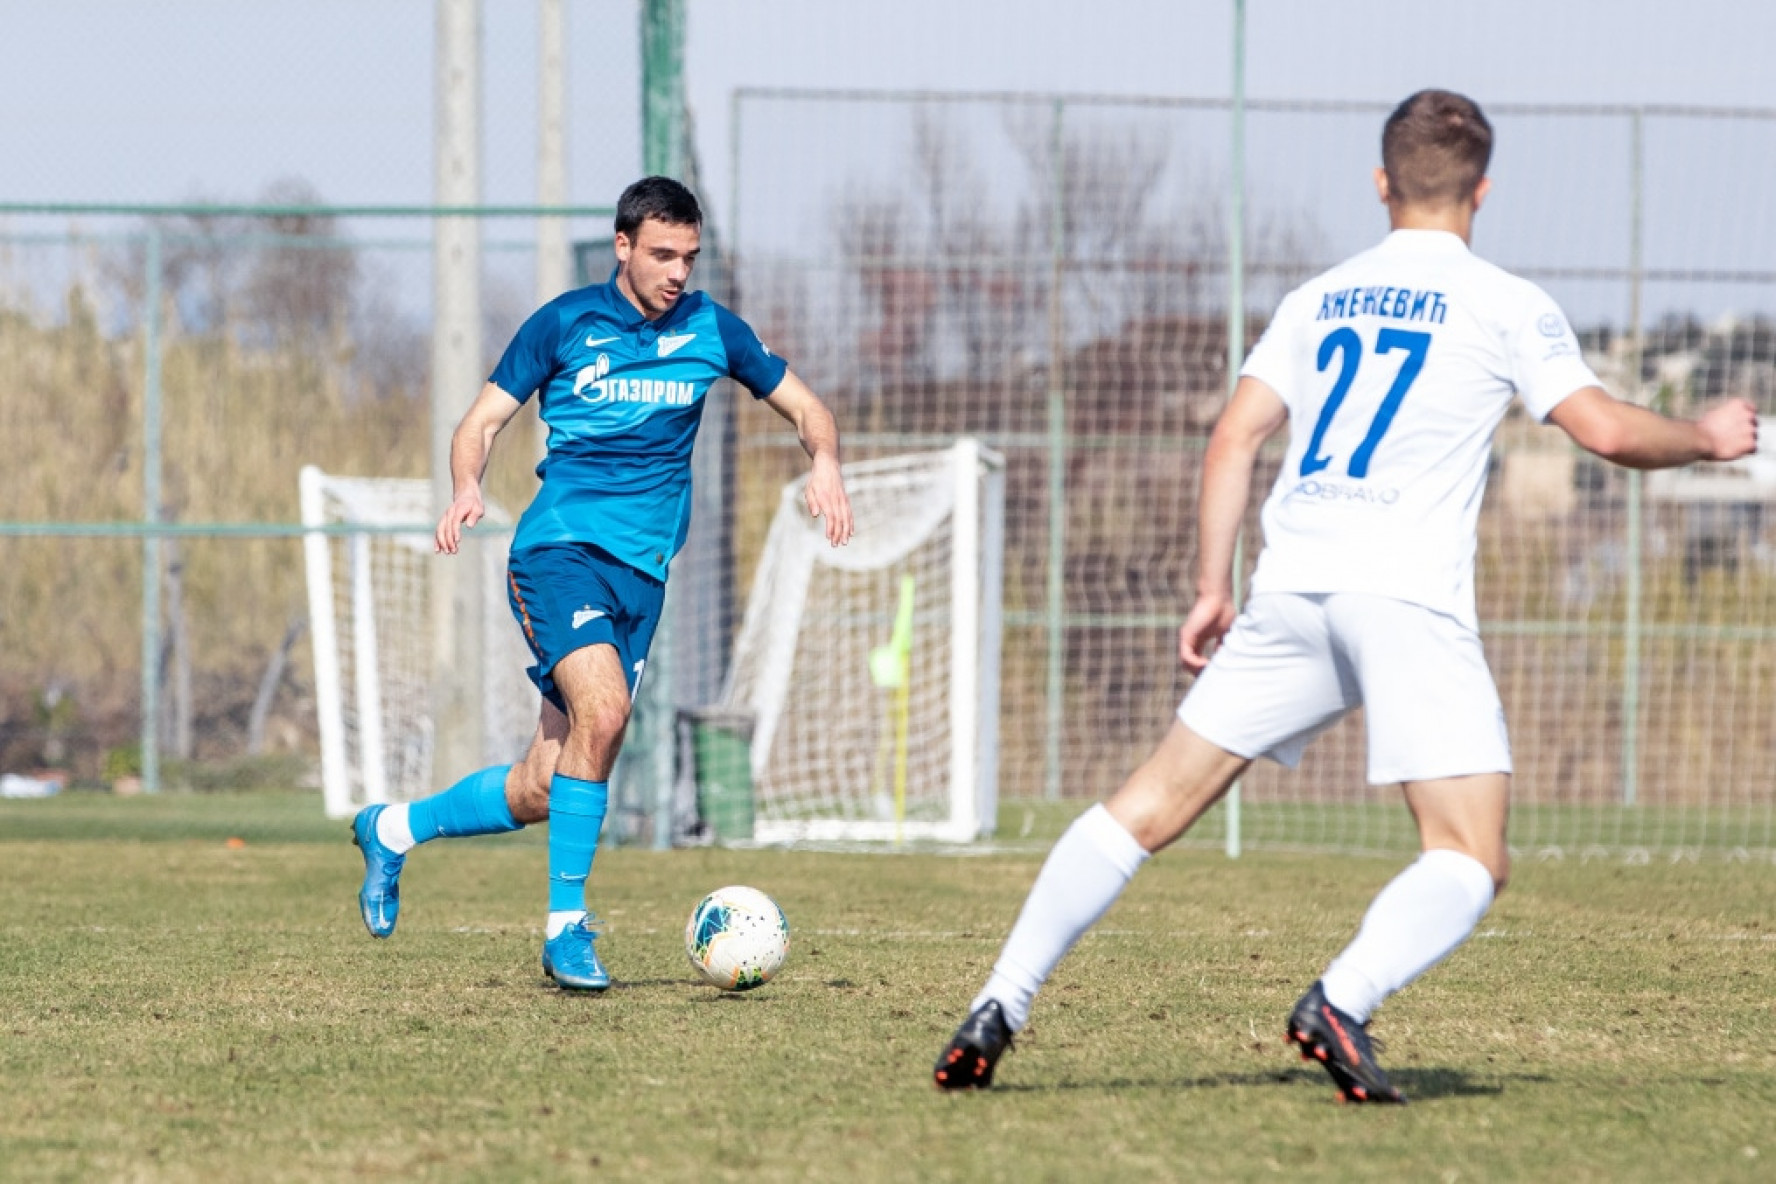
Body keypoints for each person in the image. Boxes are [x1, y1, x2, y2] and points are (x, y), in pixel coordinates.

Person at [934, 90, 1758, 1102]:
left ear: (1382, 183)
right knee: (1471, 854)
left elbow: (1233, 436)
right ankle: (1341, 997)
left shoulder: (1317, 298)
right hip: (1403, 594)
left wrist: (1210, 585)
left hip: (1292, 584)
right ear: (1483, 190)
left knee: (1142, 807)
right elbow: (1607, 431)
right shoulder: (1504, 300)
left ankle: (999, 1001)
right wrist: (1709, 437)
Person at [350, 176, 854, 990]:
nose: (677, 272)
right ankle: (566, 930)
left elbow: (807, 408)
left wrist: (825, 462)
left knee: (547, 783)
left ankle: (393, 830)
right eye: (661, 254)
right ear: (622, 247)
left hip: (643, 580)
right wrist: (467, 486)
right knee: (607, 710)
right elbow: (479, 423)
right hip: (558, 553)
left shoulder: (714, 332)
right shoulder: (563, 323)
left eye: (689, 256)